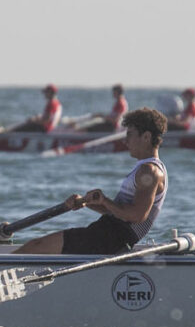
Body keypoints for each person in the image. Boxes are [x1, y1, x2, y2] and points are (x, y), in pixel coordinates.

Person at [15, 108, 169, 255]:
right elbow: (120, 213)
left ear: (146, 137)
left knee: (35, 246)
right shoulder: (145, 168)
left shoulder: (150, 171)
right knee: (36, 246)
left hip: (110, 239)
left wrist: (105, 200)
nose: (125, 140)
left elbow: (136, 216)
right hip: (107, 234)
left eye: (130, 134)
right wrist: (87, 202)